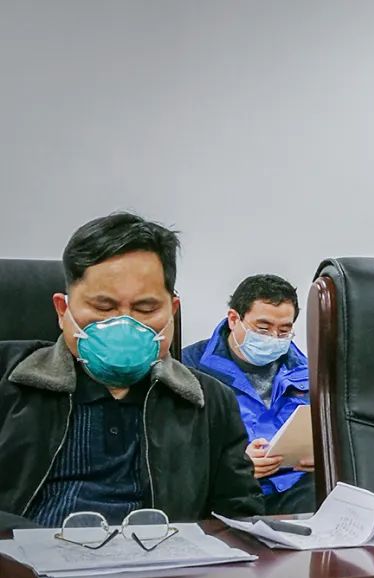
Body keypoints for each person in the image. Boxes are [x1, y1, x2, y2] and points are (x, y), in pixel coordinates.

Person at [0, 212, 262, 526]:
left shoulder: (209, 401)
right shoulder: (9, 377)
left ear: (171, 311)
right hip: (29, 553)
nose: (124, 323)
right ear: (62, 309)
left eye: (145, 308)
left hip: (158, 554)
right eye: (103, 307)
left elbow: (241, 518)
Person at [182, 275, 314, 514]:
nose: (273, 338)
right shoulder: (190, 367)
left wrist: (323, 456)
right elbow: (175, 448)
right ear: (234, 319)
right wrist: (235, 464)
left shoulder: (306, 370)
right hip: (227, 493)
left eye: (284, 330)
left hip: (297, 489)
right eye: (262, 328)